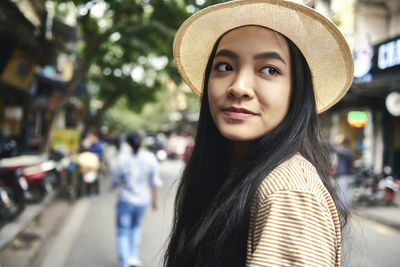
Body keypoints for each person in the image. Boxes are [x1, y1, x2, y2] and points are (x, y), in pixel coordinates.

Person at [164, 1, 354, 266]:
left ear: (297, 91)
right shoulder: (226, 174)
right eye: (225, 67)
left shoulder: (289, 193)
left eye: (269, 70)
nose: (239, 87)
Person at [110, 131, 162, 267]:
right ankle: (133, 257)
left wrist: (112, 186)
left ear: (127, 142)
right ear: (142, 141)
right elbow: (155, 182)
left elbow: (115, 179)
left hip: (125, 199)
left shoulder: (122, 158)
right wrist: (155, 201)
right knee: (136, 227)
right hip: (143, 200)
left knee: (122, 231)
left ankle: (124, 262)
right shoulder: (150, 157)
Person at [332, 134, 354, 212]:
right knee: (342, 192)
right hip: (343, 175)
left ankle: (344, 209)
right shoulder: (346, 152)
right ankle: (344, 208)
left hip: (344, 175)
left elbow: (333, 148)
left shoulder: (346, 152)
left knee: (343, 192)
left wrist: (336, 141)